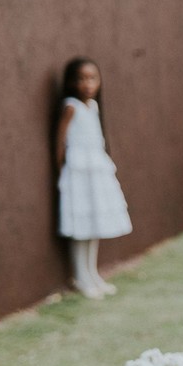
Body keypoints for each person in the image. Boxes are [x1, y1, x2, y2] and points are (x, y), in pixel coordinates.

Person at [55, 57, 132, 299]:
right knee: (81, 228)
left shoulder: (93, 107)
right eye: (81, 79)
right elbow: (59, 140)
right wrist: (61, 170)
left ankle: (92, 273)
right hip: (78, 173)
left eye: (92, 78)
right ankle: (80, 276)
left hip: (96, 171)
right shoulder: (71, 107)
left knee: (94, 225)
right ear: (70, 82)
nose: (87, 84)